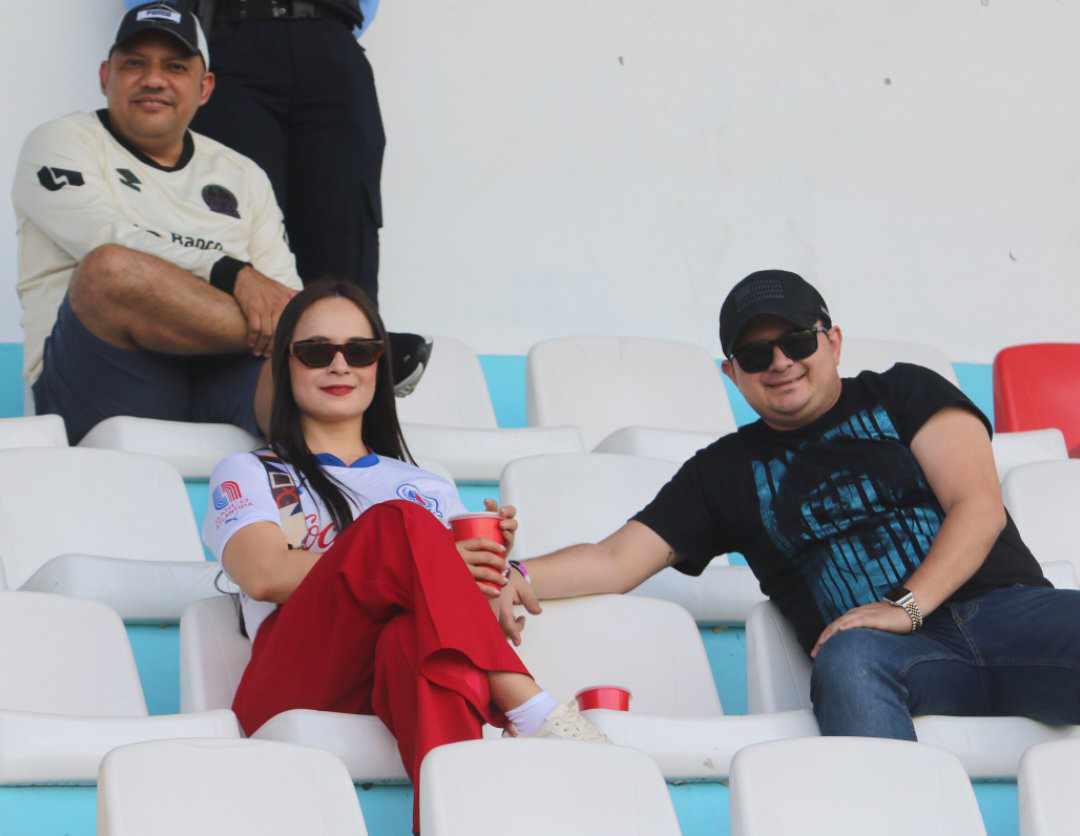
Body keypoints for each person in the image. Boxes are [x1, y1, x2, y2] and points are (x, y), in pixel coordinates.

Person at [507, 269, 1080, 740]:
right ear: (732, 374)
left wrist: (905, 604)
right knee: (849, 661)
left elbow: (977, 507)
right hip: (884, 655)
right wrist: (509, 573)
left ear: (832, 341)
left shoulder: (906, 391)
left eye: (798, 341)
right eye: (755, 355)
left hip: (1007, 615)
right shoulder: (721, 471)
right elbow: (616, 560)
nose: (780, 362)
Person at [203, 280, 605, 833]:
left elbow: (455, 608)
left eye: (360, 352)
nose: (340, 366)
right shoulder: (252, 471)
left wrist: (492, 574)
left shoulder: (429, 484)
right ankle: (530, 705)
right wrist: (430, 558)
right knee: (395, 525)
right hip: (295, 675)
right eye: (317, 352)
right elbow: (265, 573)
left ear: (378, 366)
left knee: (421, 651)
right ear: (286, 366)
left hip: (398, 667)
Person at [13, 2, 301, 443]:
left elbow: (280, 295)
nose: (153, 79)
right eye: (134, 64)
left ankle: (359, 501)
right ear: (105, 76)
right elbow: (108, 244)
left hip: (221, 370)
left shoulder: (243, 174)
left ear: (204, 87)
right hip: (101, 373)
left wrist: (295, 327)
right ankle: (327, 338)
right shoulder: (60, 143)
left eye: (175, 66)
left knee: (313, 379)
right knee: (109, 270)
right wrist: (233, 274)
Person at [179, 0, 433, 394]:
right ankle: (244, 393)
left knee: (344, 217)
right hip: (228, 36)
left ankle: (353, 371)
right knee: (235, 219)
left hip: (328, 36)